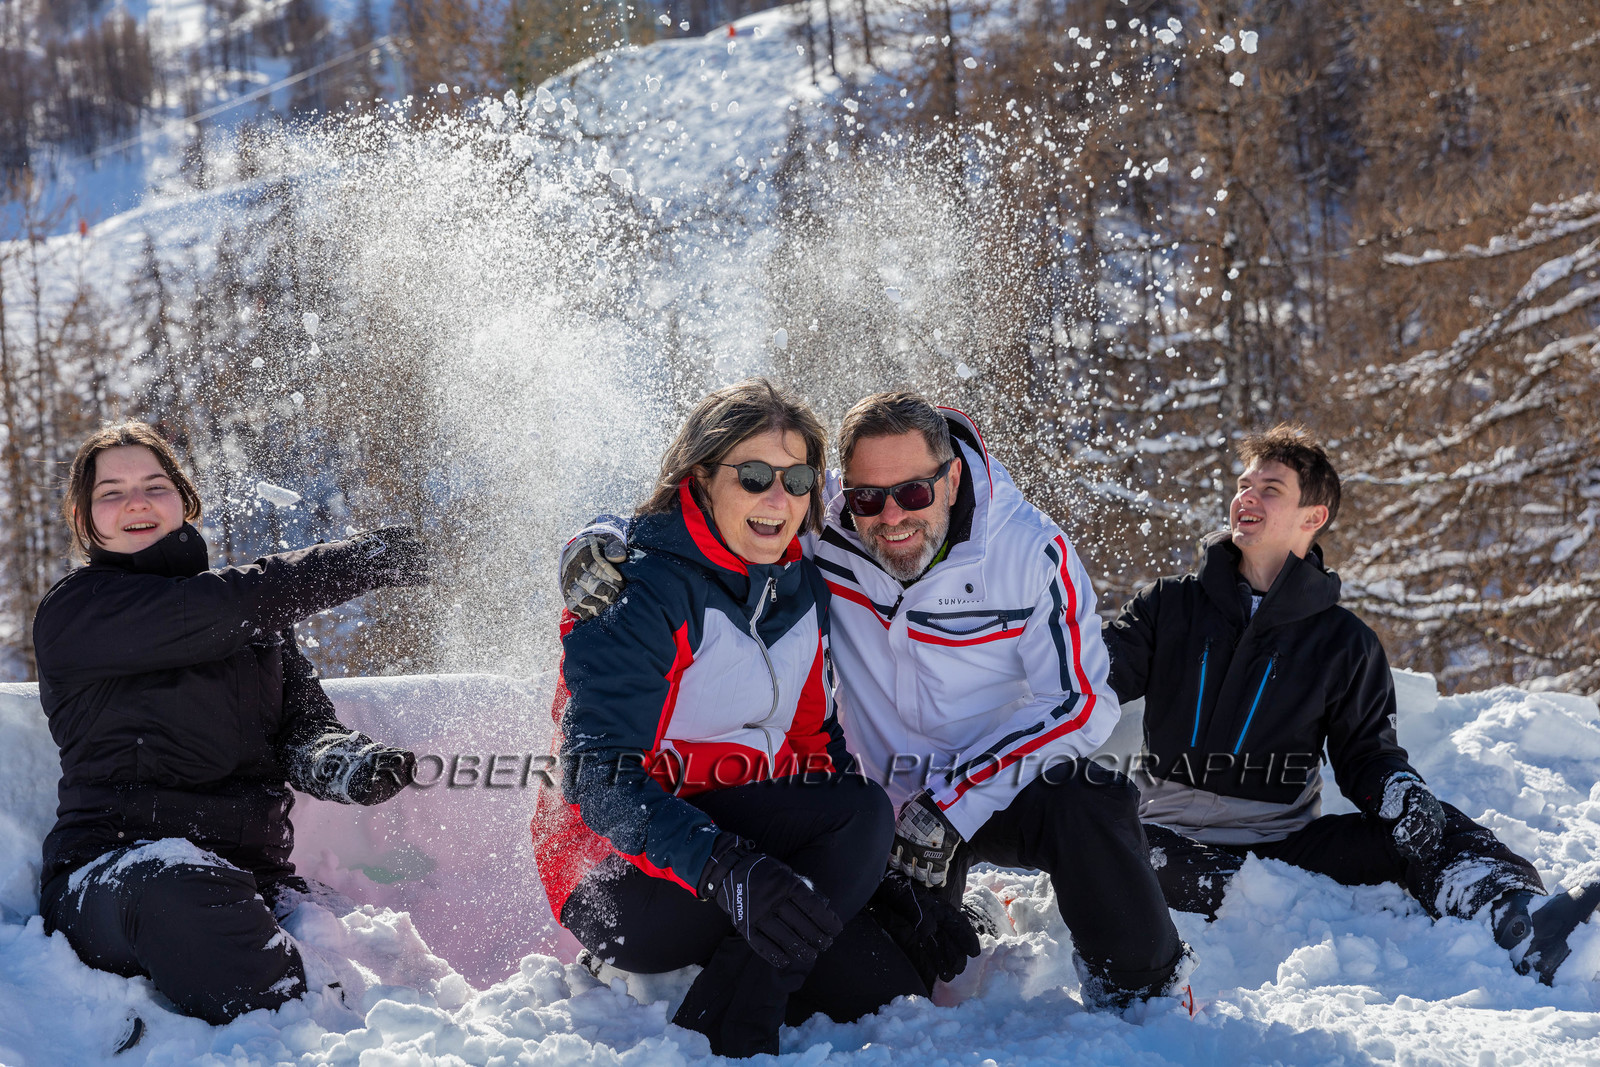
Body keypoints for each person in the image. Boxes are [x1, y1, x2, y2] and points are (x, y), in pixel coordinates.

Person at [561, 391, 1190, 1009]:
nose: (891, 516)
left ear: (949, 479)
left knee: (1091, 798)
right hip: (876, 811)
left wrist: (950, 806)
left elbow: (1083, 703)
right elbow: (710, 515)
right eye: (867, 497)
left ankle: (1147, 990)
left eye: (914, 493)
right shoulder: (822, 521)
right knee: (905, 984)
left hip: (995, 787)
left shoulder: (1027, 550)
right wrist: (606, 536)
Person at [1103, 424, 1600, 984]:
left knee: (1434, 828)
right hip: (1167, 833)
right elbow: (1089, 681)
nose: (1247, 496)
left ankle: (1520, 924)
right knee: (1114, 845)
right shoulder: (1170, 605)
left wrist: (1398, 792)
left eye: (1271, 489)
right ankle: (1230, 886)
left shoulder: (1345, 641)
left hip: (1283, 844)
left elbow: (1366, 755)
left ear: (1312, 517)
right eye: (1244, 484)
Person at [532, 380, 918, 1058]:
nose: (779, 498)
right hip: (619, 881)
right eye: (754, 475)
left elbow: (811, 747)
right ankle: (734, 1028)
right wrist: (727, 869)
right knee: (860, 814)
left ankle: (730, 981)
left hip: (733, 850)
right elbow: (598, 781)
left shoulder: (801, 587)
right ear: (701, 475)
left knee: (887, 985)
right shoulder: (639, 586)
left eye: (798, 478)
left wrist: (866, 878)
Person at [35, 421, 426, 1026]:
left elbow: (303, 730)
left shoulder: (256, 621)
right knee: (184, 890)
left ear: (184, 501)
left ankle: (360, 1021)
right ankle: (305, 1029)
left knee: (371, 950)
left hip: (255, 878)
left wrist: (342, 761)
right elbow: (215, 608)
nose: (135, 501)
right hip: (117, 872)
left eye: (154, 484)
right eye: (110, 492)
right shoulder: (77, 612)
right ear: (86, 522)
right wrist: (358, 563)